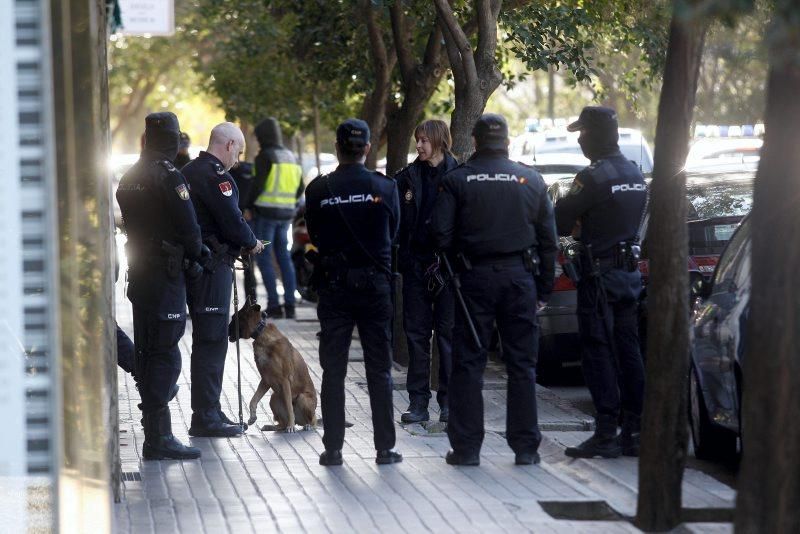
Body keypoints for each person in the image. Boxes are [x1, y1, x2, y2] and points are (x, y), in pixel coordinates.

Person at [430, 113, 557, 466]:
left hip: (473, 281)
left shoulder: (458, 180)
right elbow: (549, 242)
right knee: (522, 365)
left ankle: (468, 449)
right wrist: (544, 290)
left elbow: (439, 234)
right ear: (508, 142)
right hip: (520, 281)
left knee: (469, 364)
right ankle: (526, 449)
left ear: (474, 140)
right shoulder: (531, 180)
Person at [304, 118, 402, 467]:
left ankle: (333, 449)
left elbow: (314, 234)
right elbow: (393, 234)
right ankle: (385, 449)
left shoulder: (318, 190)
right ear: (366, 148)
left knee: (333, 370)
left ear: (337, 147)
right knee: (379, 369)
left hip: (334, 286)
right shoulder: (385, 187)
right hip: (375, 287)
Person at [554, 106, 647, 459]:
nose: (579, 139)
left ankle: (606, 430)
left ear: (595, 135)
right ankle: (634, 430)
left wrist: (578, 223)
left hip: (599, 278)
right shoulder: (635, 174)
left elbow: (561, 220)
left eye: (582, 132)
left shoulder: (592, 177)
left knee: (597, 352)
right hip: (628, 276)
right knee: (629, 351)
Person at [116, 111, 204, 460]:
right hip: (166, 275)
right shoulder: (169, 176)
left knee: (148, 351)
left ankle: (155, 433)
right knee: (166, 355)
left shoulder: (128, 176)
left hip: (139, 276)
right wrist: (196, 255)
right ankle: (159, 436)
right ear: (172, 138)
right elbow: (190, 227)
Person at [182, 122, 265, 438]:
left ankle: (210, 410)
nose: (238, 159)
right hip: (213, 266)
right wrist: (252, 242)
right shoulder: (217, 177)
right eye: (239, 151)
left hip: (195, 266)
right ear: (229, 145)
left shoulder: (188, 171)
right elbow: (232, 222)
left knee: (208, 339)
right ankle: (205, 416)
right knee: (212, 340)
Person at [396, 120, 458, 424]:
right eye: (417, 140)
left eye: (424, 140)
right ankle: (418, 402)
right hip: (416, 267)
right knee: (417, 336)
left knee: (447, 336)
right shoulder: (406, 178)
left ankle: (448, 402)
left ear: (440, 141)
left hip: (448, 269)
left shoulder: (459, 176)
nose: (419, 146)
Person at [244, 118, 303, 319]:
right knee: (284, 258)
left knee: (264, 258)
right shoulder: (290, 156)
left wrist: (247, 206)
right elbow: (300, 187)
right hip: (286, 215)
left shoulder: (265, 157)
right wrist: (288, 204)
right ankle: (290, 304)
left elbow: (257, 185)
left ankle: (274, 305)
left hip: (265, 215)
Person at [229, 161, 258, 302]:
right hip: (232, 219)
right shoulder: (221, 170)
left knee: (249, 265)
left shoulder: (247, 170)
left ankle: (251, 302)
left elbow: (257, 190)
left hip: (245, 219)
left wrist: (249, 209)